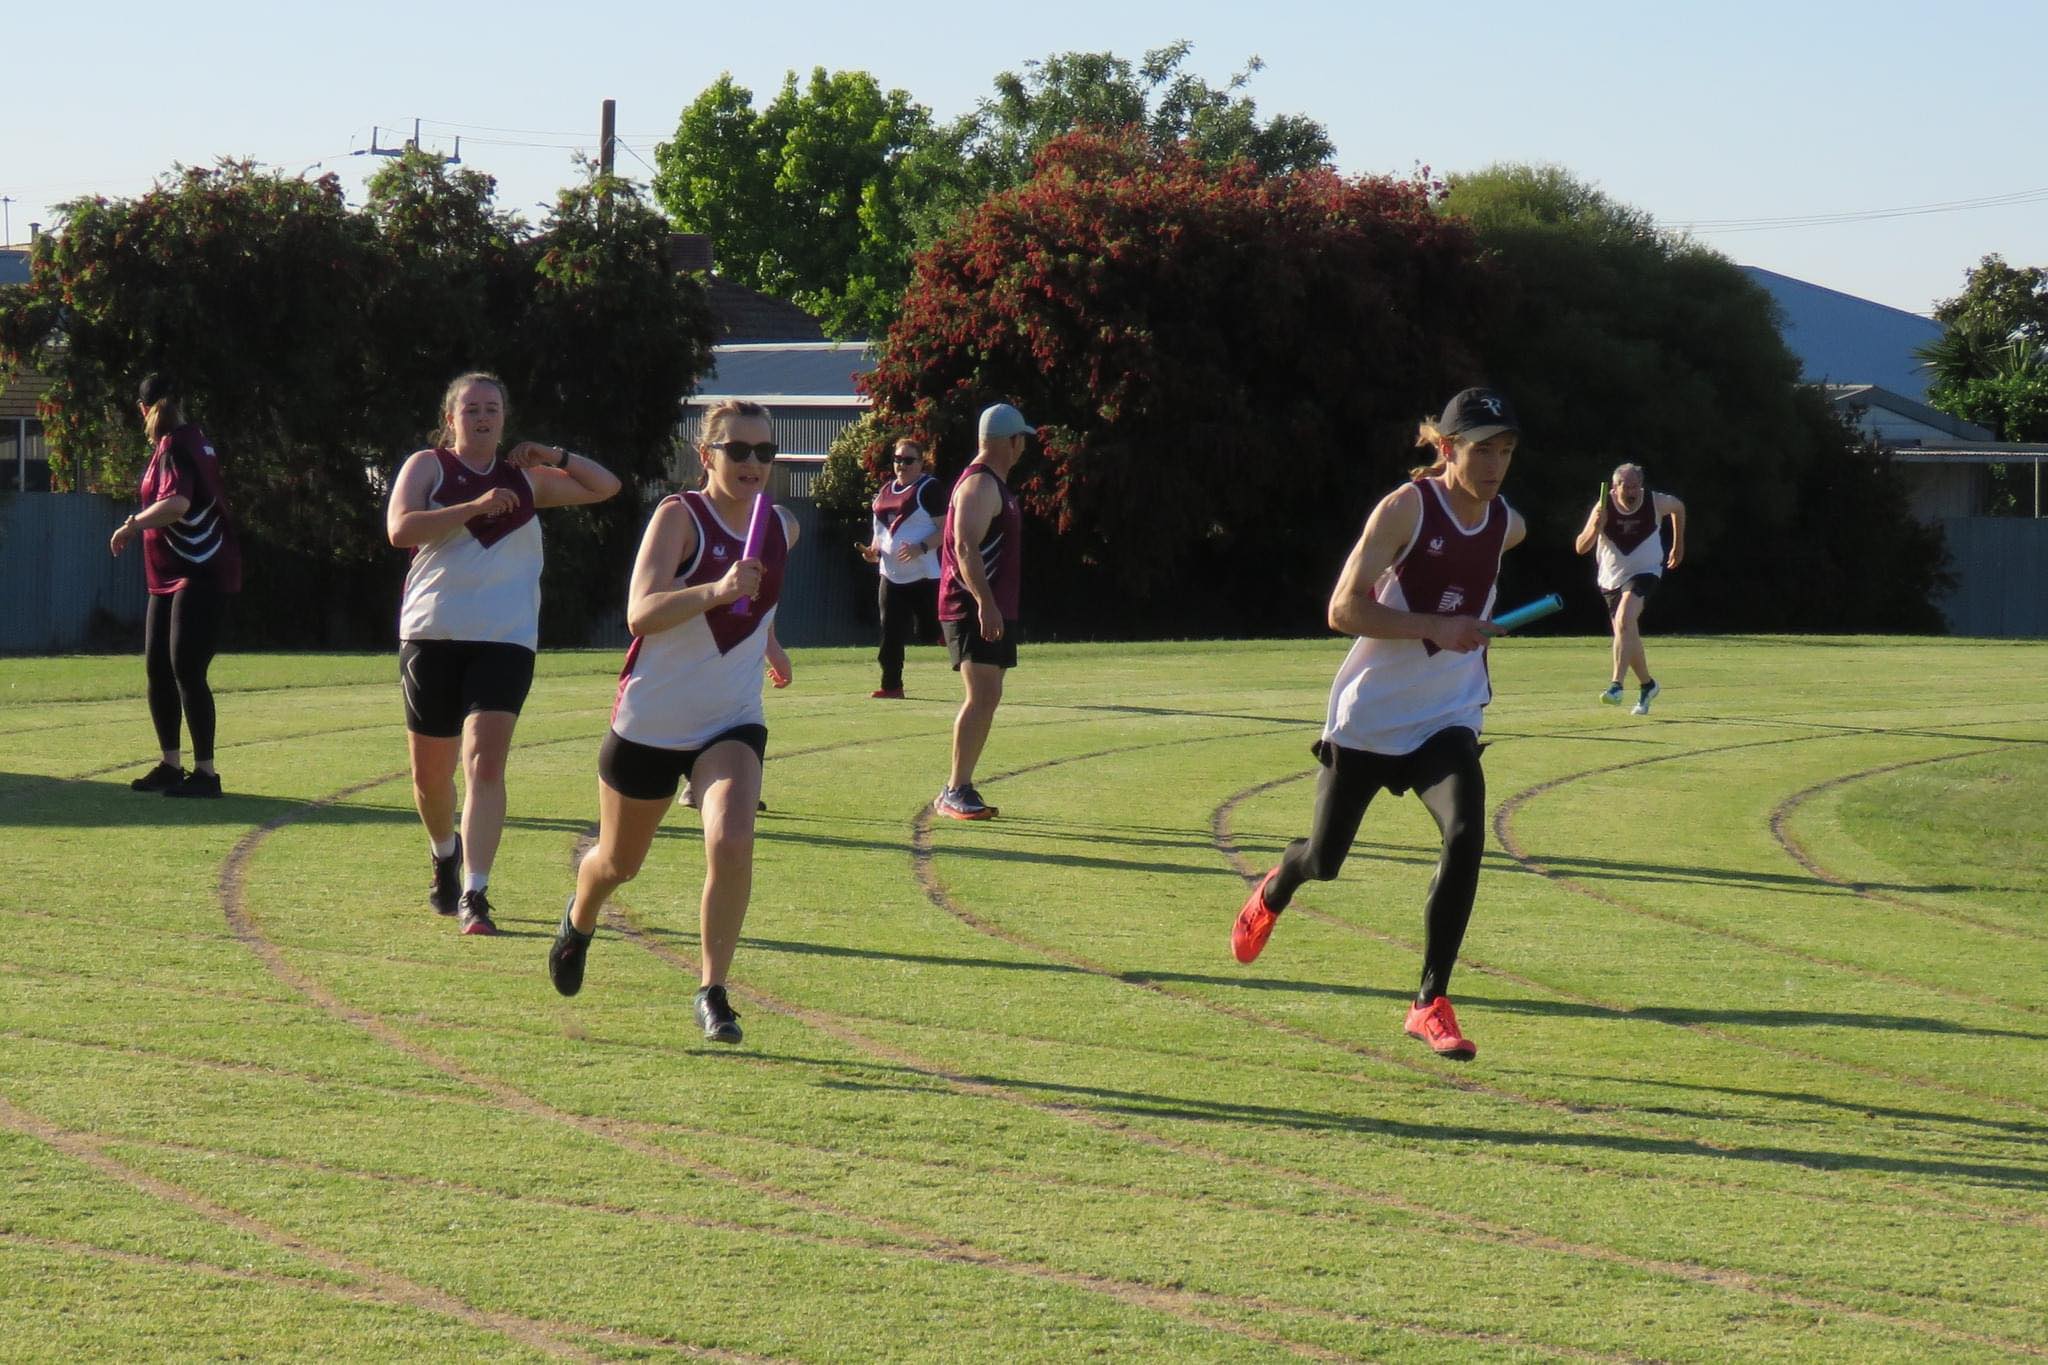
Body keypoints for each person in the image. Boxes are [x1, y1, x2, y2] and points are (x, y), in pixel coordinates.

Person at [1231, 387, 1529, 1061]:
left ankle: (1430, 1000)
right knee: (1324, 858)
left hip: (1447, 717)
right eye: (1482, 450)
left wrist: (1471, 622)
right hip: (1370, 719)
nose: (1495, 465)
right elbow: (1342, 609)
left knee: (1465, 832)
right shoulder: (1405, 510)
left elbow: (1501, 541)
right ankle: (1278, 885)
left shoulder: (1507, 521)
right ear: (1447, 448)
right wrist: (1438, 625)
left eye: (1506, 451)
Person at [549, 399, 795, 1045]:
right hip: (652, 722)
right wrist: (718, 590)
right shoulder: (679, 517)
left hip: (731, 719)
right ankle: (579, 917)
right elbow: (641, 612)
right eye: (737, 450)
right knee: (617, 863)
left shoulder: (779, 524)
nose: (752, 464)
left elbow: (760, 597)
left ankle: (713, 991)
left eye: (763, 452)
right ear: (706, 454)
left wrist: (768, 640)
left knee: (733, 837)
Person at [386, 372, 620, 935]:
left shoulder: (528, 480)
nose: (483, 417)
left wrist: (554, 454)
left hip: (505, 639)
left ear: (505, 418)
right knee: (429, 778)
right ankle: (446, 852)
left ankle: (476, 891)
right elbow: (399, 529)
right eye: (471, 409)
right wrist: (474, 506)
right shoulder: (428, 466)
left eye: (492, 408)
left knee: (485, 763)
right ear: (452, 418)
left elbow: (605, 486)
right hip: (431, 634)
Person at [109, 372, 242, 798]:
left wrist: (132, 524)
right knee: (158, 668)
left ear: (141, 410)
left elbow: (178, 503)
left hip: (198, 569)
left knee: (186, 667)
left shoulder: (176, 444)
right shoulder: (184, 440)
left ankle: (206, 773)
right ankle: (170, 764)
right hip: (168, 573)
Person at [932, 403, 1030, 821]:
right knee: (982, 695)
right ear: (1011, 442)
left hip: (992, 606)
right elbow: (963, 546)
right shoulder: (979, 484)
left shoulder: (996, 485)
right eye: (1021, 438)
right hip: (972, 606)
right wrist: (985, 604)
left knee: (989, 695)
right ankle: (955, 788)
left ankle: (959, 785)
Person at [1574, 462, 1685, 715]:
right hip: (1611, 579)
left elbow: (1678, 507)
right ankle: (1648, 685)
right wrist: (1595, 527)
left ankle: (1616, 685)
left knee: (1624, 619)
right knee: (1628, 633)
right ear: (1615, 487)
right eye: (1627, 486)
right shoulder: (1603, 507)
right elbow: (1581, 547)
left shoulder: (1654, 502)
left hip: (1646, 572)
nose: (1632, 491)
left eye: (1636, 486)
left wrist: (1678, 546)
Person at [858, 438, 945, 699]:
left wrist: (921, 547)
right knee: (890, 631)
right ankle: (891, 685)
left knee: (930, 632)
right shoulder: (885, 491)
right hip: (891, 574)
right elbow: (880, 531)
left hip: (924, 575)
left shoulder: (929, 489)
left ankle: (963, 651)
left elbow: (947, 529)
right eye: (898, 459)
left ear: (922, 462)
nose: (902, 465)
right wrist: (873, 551)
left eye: (909, 460)